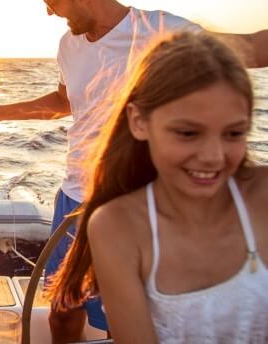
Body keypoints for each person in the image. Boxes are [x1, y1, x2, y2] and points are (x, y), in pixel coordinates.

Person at [0, 0, 268, 342]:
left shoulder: (160, 31)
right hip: (74, 194)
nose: (48, 10)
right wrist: (4, 112)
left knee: (125, 318)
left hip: (132, 196)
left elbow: (249, 48)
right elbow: (66, 99)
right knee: (62, 310)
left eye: (52, 0)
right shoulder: (68, 44)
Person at [49, 31, 268, 343]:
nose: (213, 157)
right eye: (188, 133)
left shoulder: (263, 196)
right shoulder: (117, 227)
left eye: (233, 134)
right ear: (139, 122)